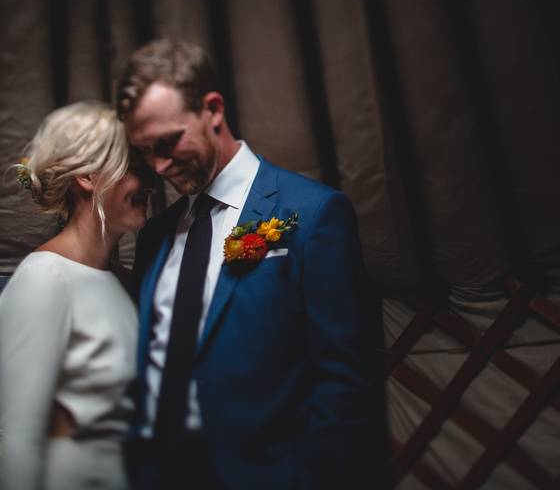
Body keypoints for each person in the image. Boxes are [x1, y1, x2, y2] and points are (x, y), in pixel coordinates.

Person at [116, 38, 381, 489]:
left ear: (213, 110)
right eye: (144, 151)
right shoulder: (155, 236)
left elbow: (346, 380)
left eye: (167, 143)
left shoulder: (312, 214)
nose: (157, 168)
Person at [0, 101, 152, 490]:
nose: (148, 183)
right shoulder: (45, 279)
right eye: (134, 167)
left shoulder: (118, 280)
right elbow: (19, 441)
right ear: (88, 177)